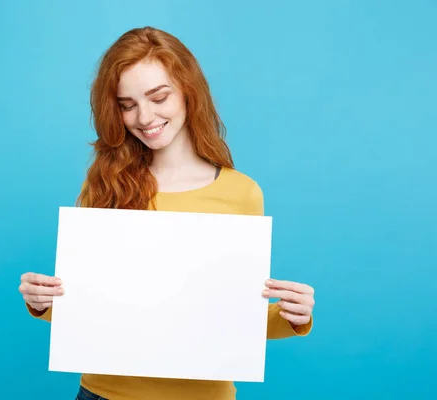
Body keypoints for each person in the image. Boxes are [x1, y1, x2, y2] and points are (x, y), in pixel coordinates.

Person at [18, 26, 315, 400]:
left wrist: (293, 316)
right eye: (127, 104)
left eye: (158, 97)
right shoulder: (105, 185)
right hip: (103, 393)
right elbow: (96, 312)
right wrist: (43, 303)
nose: (144, 117)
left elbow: (234, 322)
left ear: (189, 91)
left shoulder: (241, 194)